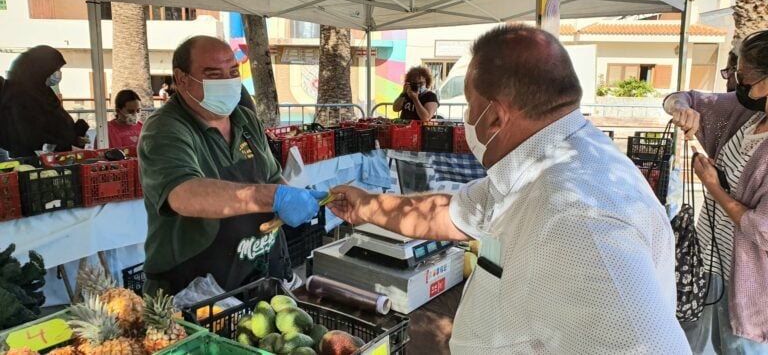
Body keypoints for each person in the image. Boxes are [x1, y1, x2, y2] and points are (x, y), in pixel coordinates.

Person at [328, 24, 689, 354]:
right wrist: (365, 207)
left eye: (470, 105)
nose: (467, 119)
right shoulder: (540, 168)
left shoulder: (579, 219)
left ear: (496, 116)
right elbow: (451, 212)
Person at [137, 36, 325, 296]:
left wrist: (293, 196)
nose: (226, 81)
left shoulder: (245, 118)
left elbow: (270, 176)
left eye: (233, 72)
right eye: (213, 75)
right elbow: (183, 194)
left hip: (260, 273)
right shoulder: (165, 128)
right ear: (182, 79)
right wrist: (272, 197)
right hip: (198, 291)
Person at [663, 29, 768, 354]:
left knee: (739, 348)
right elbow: (682, 98)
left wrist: (713, 186)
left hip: (750, 285)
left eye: (742, 77)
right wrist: (683, 109)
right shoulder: (749, 116)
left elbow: (763, 229)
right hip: (713, 264)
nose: (735, 83)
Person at [0, 45, 89, 157]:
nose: (58, 73)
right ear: (40, 69)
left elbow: (57, 124)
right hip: (34, 164)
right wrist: (66, 144)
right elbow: (31, 136)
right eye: (55, 69)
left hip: (56, 160)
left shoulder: (44, 92)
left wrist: (75, 137)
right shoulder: (21, 97)